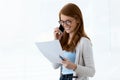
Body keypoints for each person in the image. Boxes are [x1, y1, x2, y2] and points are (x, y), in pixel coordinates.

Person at [53, 3, 95, 80]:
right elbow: (55, 66)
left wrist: (73, 66)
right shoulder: (63, 40)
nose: (64, 25)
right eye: (62, 22)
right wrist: (56, 41)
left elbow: (91, 72)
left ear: (78, 20)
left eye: (68, 21)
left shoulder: (84, 42)